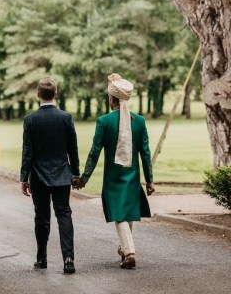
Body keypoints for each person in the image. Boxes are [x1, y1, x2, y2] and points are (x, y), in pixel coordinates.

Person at [75, 73, 155, 269]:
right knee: (126, 210)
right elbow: (145, 153)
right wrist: (150, 180)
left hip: (113, 176)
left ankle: (129, 252)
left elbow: (94, 152)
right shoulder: (140, 121)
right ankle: (124, 247)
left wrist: (84, 177)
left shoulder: (104, 121)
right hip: (133, 174)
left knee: (119, 213)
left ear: (111, 98)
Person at [20, 77, 80, 274]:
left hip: (39, 176)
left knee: (42, 217)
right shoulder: (66, 118)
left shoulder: (30, 120)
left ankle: (41, 258)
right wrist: (76, 173)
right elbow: (73, 149)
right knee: (64, 214)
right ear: (56, 93)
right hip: (62, 175)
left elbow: (27, 152)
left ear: (38, 95)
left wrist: (24, 178)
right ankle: (68, 259)